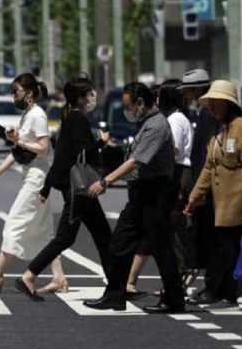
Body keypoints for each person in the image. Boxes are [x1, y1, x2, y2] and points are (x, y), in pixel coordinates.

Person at [85, 82, 184, 314]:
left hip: (153, 194)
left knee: (162, 249)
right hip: (140, 195)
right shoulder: (146, 123)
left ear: (141, 102)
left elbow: (136, 161)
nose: (127, 112)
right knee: (119, 243)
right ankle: (115, 296)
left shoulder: (157, 126)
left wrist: (105, 181)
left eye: (129, 106)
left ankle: (174, 299)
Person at [16, 74, 112, 301]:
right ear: (79, 98)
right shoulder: (77, 119)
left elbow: (62, 156)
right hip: (77, 190)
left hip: (80, 189)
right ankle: (28, 276)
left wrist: (48, 186)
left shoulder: (69, 116)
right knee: (65, 238)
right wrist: (101, 142)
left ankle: (118, 285)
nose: (91, 98)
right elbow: (81, 154)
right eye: (88, 94)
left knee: (104, 236)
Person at [184, 80, 242, 308]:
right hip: (219, 200)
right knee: (227, 248)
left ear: (229, 103)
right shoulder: (216, 129)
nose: (213, 106)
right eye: (211, 102)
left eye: (218, 102)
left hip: (238, 199)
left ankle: (227, 294)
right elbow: (208, 167)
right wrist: (194, 198)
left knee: (227, 249)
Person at [0, 73, 65, 292]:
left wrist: (19, 140)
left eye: (16, 91)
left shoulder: (38, 115)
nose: (13, 96)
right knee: (43, 232)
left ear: (29, 92)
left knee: (13, 223)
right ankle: (59, 277)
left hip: (37, 178)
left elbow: (44, 148)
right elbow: (18, 150)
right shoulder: (27, 116)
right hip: (31, 175)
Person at [126, 79, 193, 296]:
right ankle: (133, 281)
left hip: (172, 177)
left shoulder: (171, 120)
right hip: (174, 175)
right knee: (161, 231)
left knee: (165, 232)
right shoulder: (180, 118)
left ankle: (175, 282)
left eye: (158, 95)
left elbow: (171, 150)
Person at [178, 69, 217, 301]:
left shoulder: (207, 115)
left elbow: (204, 156)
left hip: (207, 186)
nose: (187, 95)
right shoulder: (203, 113)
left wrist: (196, 189)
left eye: (189, 90)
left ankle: (215, 286)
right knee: (206, 237)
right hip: (205, 184)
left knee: (209, 238)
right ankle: (211, 284)